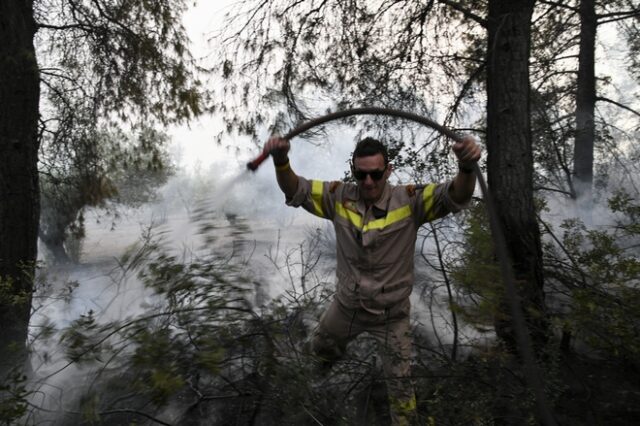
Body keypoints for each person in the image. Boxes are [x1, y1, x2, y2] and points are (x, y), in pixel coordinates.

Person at [262, 134, 481, 425]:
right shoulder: (338, 196)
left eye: (375, 174)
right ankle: (306, 402)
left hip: (391, 316)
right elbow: (296, 188)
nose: (368, 182)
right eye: (361, 174)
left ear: (388, 170)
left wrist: (466, 167)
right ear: (353, 170)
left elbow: (456, 194)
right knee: (318, 354)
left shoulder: (410, 200)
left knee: (402, 389)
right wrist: (280, 160)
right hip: (347, 308)